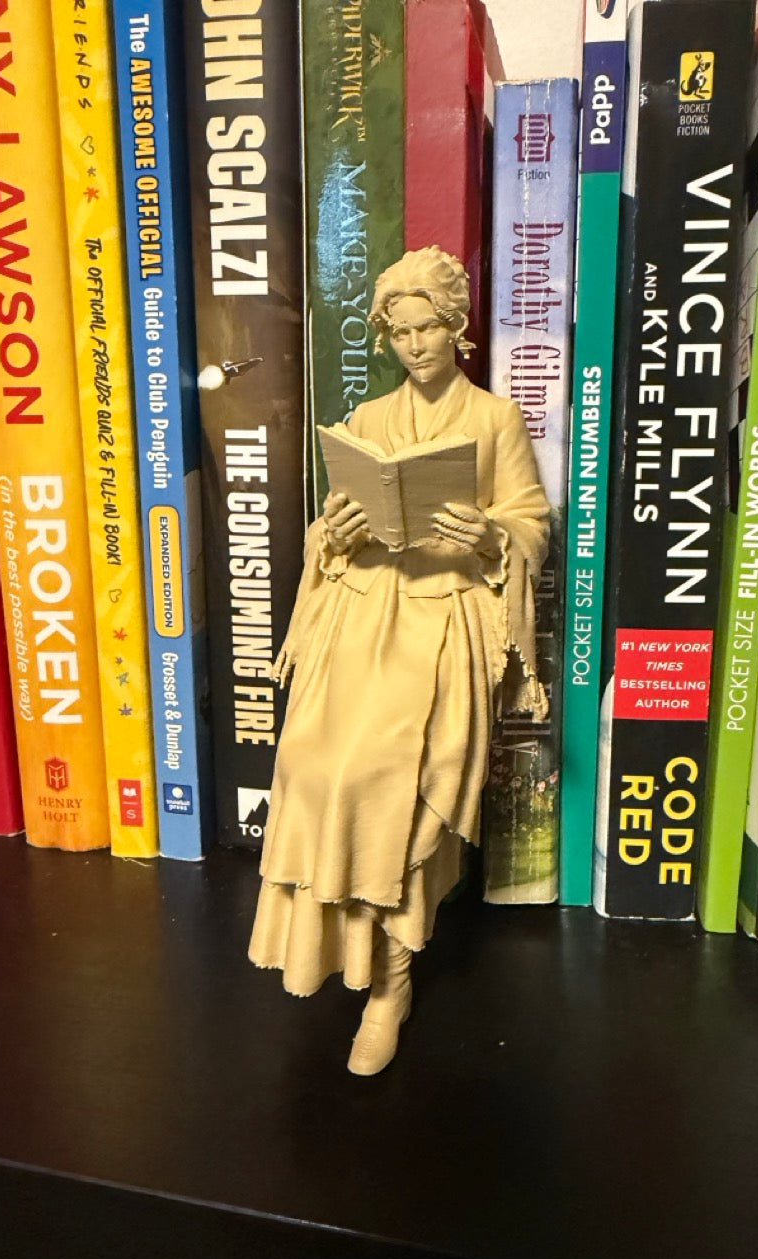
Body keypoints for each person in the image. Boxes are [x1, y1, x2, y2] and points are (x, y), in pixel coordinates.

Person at [248, 247, 550, 1075]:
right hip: (365, 611)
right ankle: (337, 957)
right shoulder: (370, 418)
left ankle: (390, 985)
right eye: (400, 332)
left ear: (457, 329)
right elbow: (332, 527)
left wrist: (491, 535)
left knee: (390, 781)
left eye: (428, 328)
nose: (415, 345)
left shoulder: (493, 419)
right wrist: (332, 533)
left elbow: (531, 524)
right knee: (312, 764)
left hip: (446, 620)